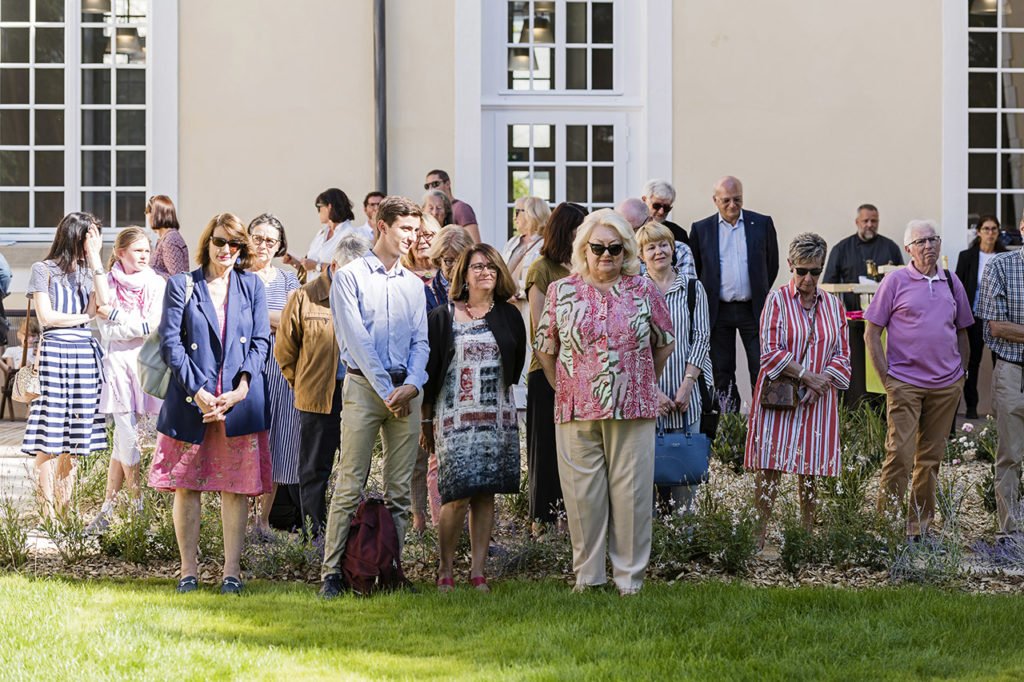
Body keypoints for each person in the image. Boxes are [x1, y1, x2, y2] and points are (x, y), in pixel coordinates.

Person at [534, 209, 675, 595]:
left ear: (626, 250)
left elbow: (663, 342)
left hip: (633, 408)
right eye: (598, 248)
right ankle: (589, 577)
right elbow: (546, 347)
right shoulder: (563, 291)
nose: (606, 255)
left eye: (615, 248)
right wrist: (566, 384)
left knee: (631, 497)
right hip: (575, 408)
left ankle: (629, 580)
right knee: (583, 498)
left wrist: (641, 380)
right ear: (584, 248)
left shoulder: (643, 289)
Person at [148, 213, 272, 595]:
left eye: (235, 245)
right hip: (193, 402)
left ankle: (231, 573)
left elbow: (261, 342)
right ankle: (188, 572)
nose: (227, 251)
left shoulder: (251, 286)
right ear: (208, 242)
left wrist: (242, 388)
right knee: (188, 486)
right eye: (221, 242)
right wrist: (199, 390)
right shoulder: (183, 285)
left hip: (237, 403)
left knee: (234, 489)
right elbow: (172, 344)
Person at [320, 196, 429, 599]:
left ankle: (390, 570)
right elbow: (357, 341)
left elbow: (422, 341)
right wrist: (387, 391)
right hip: (366, 390)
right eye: (405, 229)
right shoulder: (349, 278)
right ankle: (331, 573)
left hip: (407, 392)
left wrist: (413, 384)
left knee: (400, 490)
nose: (412, 238)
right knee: (351, 482)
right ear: (382, 227)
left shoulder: (414, 285)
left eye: (416, 231)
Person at [422, 244, 526, 592]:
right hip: (453, 419)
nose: (485, 272)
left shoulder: (509, 315)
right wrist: (426, 423)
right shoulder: (443, 316)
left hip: (497, 416)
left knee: (485, 494)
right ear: (463, 274)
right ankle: (446, 567)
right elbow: (430, 372)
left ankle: (478, 571)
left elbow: (517, 361)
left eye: (492, 267)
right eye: (478, 267)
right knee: (456, 496)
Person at [865, 220, 973, 540]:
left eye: (934, 239)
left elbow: (963, 330)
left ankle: (919, 527)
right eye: (921, 241)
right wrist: (886, 378)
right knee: (899, 453)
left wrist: (962, 373)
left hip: (946, 385)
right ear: (909, 249)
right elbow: (872, 332)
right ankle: (888, 527)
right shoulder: (895, 281)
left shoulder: (951, 282)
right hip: (905, 383)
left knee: (930, 458)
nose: (929, 246)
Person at [745, 233, 851, 547]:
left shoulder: (833, 305)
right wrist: (807, 376)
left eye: (815, 271)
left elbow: (843, 353)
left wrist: (820, 384)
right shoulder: (776, 300)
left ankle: (805, 537)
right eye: (801, 270)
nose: (807, 278)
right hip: (780, 395)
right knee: (770, 466)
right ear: (790, 265)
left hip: (817, 400)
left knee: (811, 468)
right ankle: (758, 534)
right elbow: (769, 352)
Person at [276, 234, 371, 538]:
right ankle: (313, 535)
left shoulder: (367, 296)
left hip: (358, 396)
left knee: (356, 470)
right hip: (318, 398)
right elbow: (285, 352)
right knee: (314, 469)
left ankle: (349, 536)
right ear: (333, 266)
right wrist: (303, 384)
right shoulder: (305, 297)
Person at [21, 212, 110, 517]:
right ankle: (47, 514)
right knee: (49, 435)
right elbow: (48, 317)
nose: (97, 241)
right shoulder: (42, 269)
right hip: (56, 352)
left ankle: (64, 511)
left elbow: (105, 303)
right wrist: (85, 318)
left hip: (84, 354)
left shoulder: (90, 272)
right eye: (93, 236)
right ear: (78, 236)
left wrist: (97, 261)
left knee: (76, 437)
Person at [86, 226, 166, 535]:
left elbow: (154, 327)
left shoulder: (156, 283)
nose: (145, 255)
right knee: (127, 433)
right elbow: (107, 333)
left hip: (146, 364)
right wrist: (132, 324)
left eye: (147, 250)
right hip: (117, 364)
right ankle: (138, 507)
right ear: (121, 253)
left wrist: (118, 316)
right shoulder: (105, 285)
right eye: (138, 250)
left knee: (124, 441)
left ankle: (106, 510)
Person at [637, 222, 714, 510]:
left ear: (673, 248)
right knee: (646, 474)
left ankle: (685, 538)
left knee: (685, 478)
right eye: (651, 247)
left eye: (664, 245)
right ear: (641, 255)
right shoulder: (636, 292)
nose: (659, 251)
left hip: (686, 397)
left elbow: (702, 338)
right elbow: (633, 345)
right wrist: (653, 391)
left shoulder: (693, 288)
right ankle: (652, 540)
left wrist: (686, 385)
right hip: (647, 397)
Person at [690, 175, 779, 411]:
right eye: (726, 200)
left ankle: (763, 418)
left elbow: (772, 264)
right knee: (722, 369)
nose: (732, 206)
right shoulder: (701, 229)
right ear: (715, 200)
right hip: (718, 311)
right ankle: (728, 423)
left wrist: (758, 290)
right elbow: (697, 270)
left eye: (737, 199)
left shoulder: (761, 223)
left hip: (753, 308)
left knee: (761, 365)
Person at [524, 202, 586, 534]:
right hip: (546, 372)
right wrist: (557, 380)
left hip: (583, 374)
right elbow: (539, 330)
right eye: (579, 230)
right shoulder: (542, 269)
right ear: (566, 231)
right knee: (546, 450)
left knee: (575, 452)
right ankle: (542, 522)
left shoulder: (585, 270)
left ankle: (571, 520)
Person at [415, 224, 475, 528]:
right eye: (447, 260)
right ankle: (444, 530)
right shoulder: (427, 294)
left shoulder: (477, 289)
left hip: (472, 384)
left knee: (473, 458)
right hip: (438, 383)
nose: (452, 266)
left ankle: (472, 530)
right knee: (438, 459)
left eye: (458, 258)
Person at [248, 213, 301, 534]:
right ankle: (239, 518)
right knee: (246, 443)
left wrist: (255, 315)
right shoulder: (237, 275)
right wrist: (272, 318)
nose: (264, 245)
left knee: (277, 443)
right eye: (258, 238)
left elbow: (295, 322)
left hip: (281, 370)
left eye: (271, 240)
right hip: (245, 369)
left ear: (280, 245)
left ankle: (263, 521)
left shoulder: (288, 280)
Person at [978, 241, 1024, 543]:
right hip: (1013, 371)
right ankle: (1011, 530)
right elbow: (995, 326)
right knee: (1010, 454)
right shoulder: (1000, 266)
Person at [956, 214, 1006, 419]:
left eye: (994, 229)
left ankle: (1000, 407)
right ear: (978, 232)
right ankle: (971, 407)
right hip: (974, 316)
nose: (990, 233)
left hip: (999, 318)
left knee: (1000, 363)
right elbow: (958, 287)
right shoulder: (967, 256)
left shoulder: (1004, 256)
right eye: (986, 229)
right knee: (971, 361)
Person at [822, 204, 904, 311]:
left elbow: (902, 282)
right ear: (857, 222)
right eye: (865, 221)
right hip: (850, 316)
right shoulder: (841, 249)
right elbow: (828, 285)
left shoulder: (891, 248)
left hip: (885, 313)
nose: (869, 225)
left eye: (873, 221)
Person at [283, 188, 363, 275]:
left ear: (329, 207)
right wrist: (294, 262)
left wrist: (317, 266)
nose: (318, 211)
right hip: (315, 288)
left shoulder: (350, 235)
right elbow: (312, 270)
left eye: (319, 207)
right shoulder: (321, 234)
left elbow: (349, 271)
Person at [617, 197, 696, 279]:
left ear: (650, 221)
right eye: (623, 231)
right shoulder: (616, 252)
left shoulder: (679, 250)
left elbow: (687, 287)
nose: (629, 236)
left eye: (634, 230)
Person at [501, 196, 550, 291]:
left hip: (529, 302)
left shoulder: (546, 243)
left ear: (532, 213)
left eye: (518, 212)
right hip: (507, 301)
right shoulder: (512, 241)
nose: (514, 217)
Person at [424, 225, 474, 312]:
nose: (456, 268)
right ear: (438, 260)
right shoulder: (427, 293)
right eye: (449, 261)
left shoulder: (478, 286)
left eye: (461, 261)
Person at [424, 169, 480, 243]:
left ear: (447, 184)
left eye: (435, 184)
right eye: (427, 186)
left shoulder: (461, 208)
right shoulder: (427, 209)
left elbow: (475, 243)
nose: (431, 189)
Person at [147, 195, 190, 280]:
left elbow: (177, 279)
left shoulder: (170, 240)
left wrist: (148, 272)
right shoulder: (165, 238)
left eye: (147, 213)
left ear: (154, 214)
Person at [642, 178, 688, 244]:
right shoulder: (631, 229)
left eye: (666, 208)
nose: (661, 212)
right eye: (656, 206)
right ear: (644, 200)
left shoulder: (679, 234)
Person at [401, 213, 441, 284]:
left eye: (427, 235)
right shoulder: (402, 274)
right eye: (416, 236)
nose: (422, 241)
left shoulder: (448, 270)